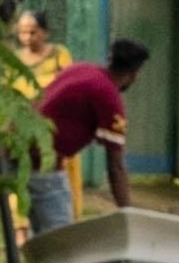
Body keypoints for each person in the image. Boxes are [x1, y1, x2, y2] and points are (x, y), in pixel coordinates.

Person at [31, 35, 135, 221]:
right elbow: (116, 166)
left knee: (41, 237)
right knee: (60, 236)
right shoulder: (109, 96)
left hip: (17, 150)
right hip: (43, 165)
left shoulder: (82, 69)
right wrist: (129, 214)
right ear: (134, 74)